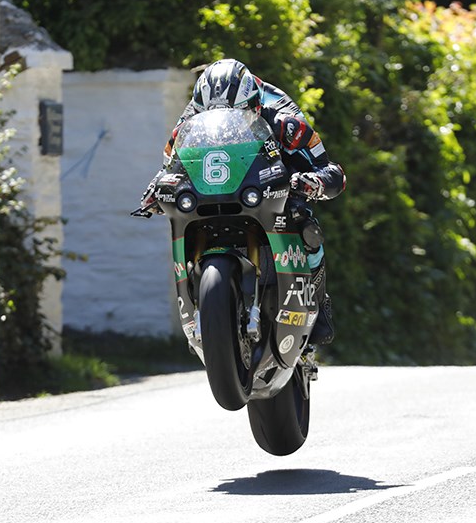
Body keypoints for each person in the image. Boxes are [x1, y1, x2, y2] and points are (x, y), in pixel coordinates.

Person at [140, 58, 346, 345]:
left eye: (239, 113)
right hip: (212, 195)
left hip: (269, 188)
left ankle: (318, 308)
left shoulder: (286, 122)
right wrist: (156, 189)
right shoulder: (186, 126)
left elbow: (329, 169)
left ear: (255, 105)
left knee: (306, 224)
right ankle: (204, 313)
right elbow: (168, 169)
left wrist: (314, 181)